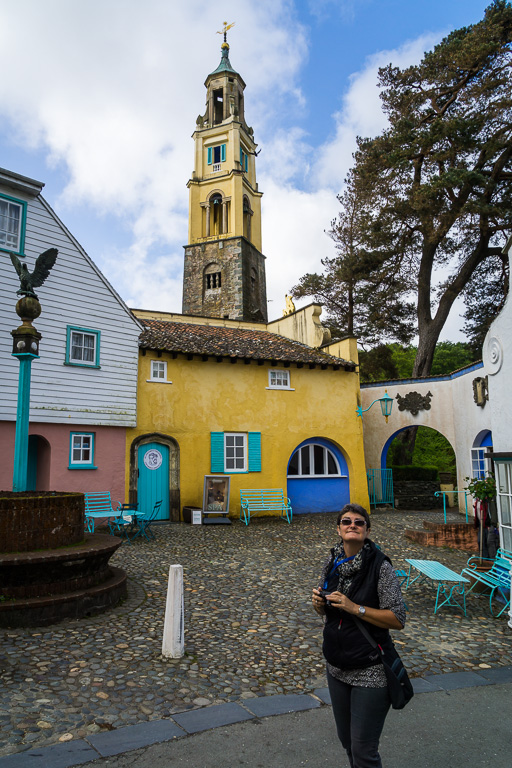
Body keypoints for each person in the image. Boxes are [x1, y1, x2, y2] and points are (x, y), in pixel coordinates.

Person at [312, 503, 406, 768]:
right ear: (338, 529)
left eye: (359, 522)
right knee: (347, 742)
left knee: (364, 750)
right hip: (336, 666)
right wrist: (318, 605)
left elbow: (398, 618)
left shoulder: (380, 566)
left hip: (370, 668)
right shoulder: (332, 561)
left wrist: (356, 608)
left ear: (367, 529)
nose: (352, 525)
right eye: (346, 521)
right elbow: (328, 610)